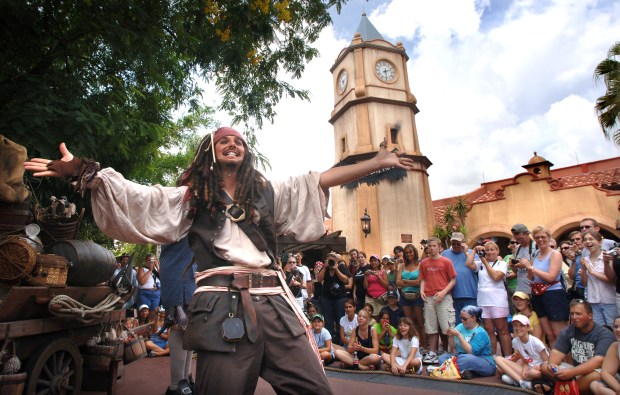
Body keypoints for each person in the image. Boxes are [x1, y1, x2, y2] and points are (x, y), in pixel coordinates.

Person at [25, 128, 415, 394]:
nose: (233, 142)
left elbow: (319, 181)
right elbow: (138, 197)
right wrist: (81, 170)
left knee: (314, 389)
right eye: (224, 139)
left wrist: (378, 161)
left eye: (239, 140)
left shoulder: (267, 191)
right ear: (211, 151)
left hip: (277, 304)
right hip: (220, 308)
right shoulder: (191, 197)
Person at [541, 299, 616, 395]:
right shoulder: (568, 330)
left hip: (594, 373)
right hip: (576, 373)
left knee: (598, 375)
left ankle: (559, 390)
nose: (574, 317)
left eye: (578, 314)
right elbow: (556, 352)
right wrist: (552, 366)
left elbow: (598, 361)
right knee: (544, 366)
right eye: (572, 314)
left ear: (590, 316)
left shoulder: (604, 334)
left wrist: (572, 372)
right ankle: (567, 389)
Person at [518, 225, 568, 348]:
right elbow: (531, 277)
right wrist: (529, 269)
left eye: (543, 237)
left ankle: (568, 363)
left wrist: (531, 268)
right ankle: (556, 364)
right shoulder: (535, 254)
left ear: (549, 238)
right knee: (550, 334)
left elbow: (551, 277)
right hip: (538, 294)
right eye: (537, 237)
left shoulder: (555, 254)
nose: (540, 239)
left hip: (553, 294)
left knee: (559, 334)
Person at [158, 237, 197, 395]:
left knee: (188, 328)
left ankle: (185, 380)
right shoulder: (178, 217)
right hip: (178, 270)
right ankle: (176, 386)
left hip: (188, 272)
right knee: (179, 325)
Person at [466, 240, 511, 356]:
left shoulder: (502, 264)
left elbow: (496, 277)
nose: (489, 252)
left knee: (502, 330)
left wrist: (484, 261)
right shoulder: (480, 263)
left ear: (497, 251)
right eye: (487, 250)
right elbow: (468, 264)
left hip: (498, 301)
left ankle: (508, 356)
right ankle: (492, 357)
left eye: (492, 249)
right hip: (483, 301)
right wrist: (475, 250)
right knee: (489, 331)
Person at [419, 237, 457, 365]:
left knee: (447, 326)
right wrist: (421, 290)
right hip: (429, 297)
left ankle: (453, 351)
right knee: (431, 326)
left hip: (443, 296)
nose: (431, 248)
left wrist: (443, 292)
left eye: (434, 246)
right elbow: (423, 278)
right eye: (429, 246)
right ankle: (433, 351)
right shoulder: (424, 263)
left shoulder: (446, 262)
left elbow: (453, 280)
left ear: (440, 247)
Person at [434, 305, 496, 379]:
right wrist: (451, 336)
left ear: (474, 318)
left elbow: (471, 352)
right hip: (461, 357)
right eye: (461, 318)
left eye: (465, 319)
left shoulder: (480, 332)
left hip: (483, 361)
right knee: (443, 357)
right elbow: (453, 346)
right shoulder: (460, 326)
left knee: (466, 359)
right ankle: (465, 372)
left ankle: (449, 370)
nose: (462, 320)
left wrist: (459, 336)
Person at [495, 314, 548, 390]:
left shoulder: (536, 342)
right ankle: (521, 382)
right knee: (498, 359)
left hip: (536, 371)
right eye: (515, 325)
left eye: (521, 325)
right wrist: (525, 367)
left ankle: (515, 379)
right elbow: (524, 360)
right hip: (527, 369)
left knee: (534, 373)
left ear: (528, 328)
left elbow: (547, 362)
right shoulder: (515, 342)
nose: (518, 328)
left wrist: (540, 366)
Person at [580, 229, 616, 327]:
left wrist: (592, 272)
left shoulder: (608, 257)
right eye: (585, 240)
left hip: (610, 301)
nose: (588, 242)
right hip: (593, 302)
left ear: (599, 242)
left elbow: (612, 280)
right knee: (599, 331)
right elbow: (584, 283)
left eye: (591, 239)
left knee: (613, 329)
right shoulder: (585, 260)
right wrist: (584, 270)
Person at [442, 232, 478, 324]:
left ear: (463, 243)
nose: (456, 245)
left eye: (458, 243)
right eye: (453, 243)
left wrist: (466, 252)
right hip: (453, 295)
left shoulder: (471, 252)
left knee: (471, 321)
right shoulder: (445, 253)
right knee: (457, 323)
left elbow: (476, 267)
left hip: (470, 293)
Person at [396, 243, 426, 351]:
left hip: (417, 296)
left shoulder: (420, 264)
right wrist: (409, 283)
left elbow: (419, 282)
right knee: (410, 322)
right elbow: (397, 282)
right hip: (404, 297)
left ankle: (424, 345)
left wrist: (406, 281)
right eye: (407, 253)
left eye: (411, 252)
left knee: (420, 321)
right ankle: (415, 345)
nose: (409, 254)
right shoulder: (402, 266)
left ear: (415, 252)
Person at [317, 253, 352, 340]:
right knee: (328, 320)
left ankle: (340, 339)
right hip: (326, 297)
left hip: (339, 297)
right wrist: (325, 267)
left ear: (336, 261)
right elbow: (319, 279)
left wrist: (336, 269)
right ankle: (330, 340)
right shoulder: (325, 267)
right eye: (329, 259)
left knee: (339, 319)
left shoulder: (341, 267)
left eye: (332, 259)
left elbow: (345, 280)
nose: (330, 261)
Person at [590, 316, 620, 395]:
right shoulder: (615, 346)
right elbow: (606, 373)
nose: (618, 330)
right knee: (595, 385)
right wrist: (618, 388)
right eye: (616, 327)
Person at [511, 223, 537, 296]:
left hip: (533, 288)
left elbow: (541, 264)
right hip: (521, 288)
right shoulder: (517, 248)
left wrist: (525, 265)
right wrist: (514, 266)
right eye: (516, 239)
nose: (519, 241)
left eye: (520, 239)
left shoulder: (536, 246)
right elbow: (516, 272)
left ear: (527, 234)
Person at [503, 238, 519, 314]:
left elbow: (521, 272)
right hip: (508, 287)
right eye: (512, 242)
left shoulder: (523, 256)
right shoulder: (507, 257)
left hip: (519, 287)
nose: (515, 244)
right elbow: (501, 271)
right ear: (509, 245)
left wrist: (511, 273)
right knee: (513, 311)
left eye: (517, 242)